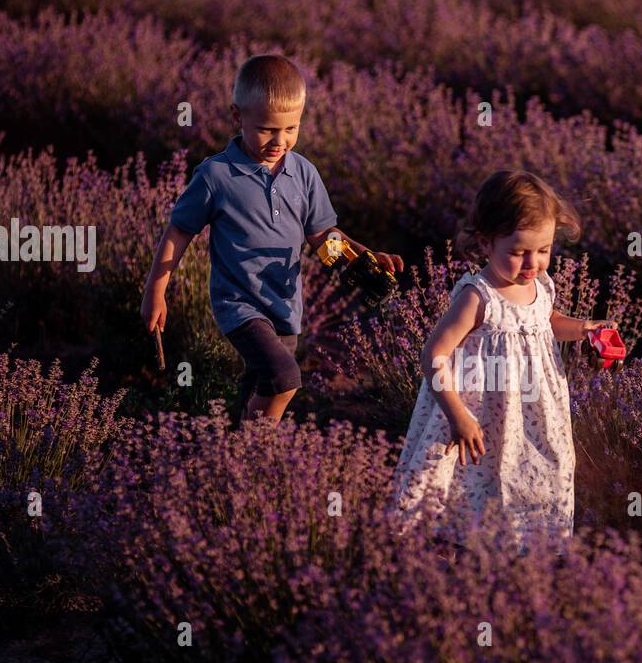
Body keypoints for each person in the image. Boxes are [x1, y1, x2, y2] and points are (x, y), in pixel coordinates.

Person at [140, 54, 403, 426]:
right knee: (284, 378)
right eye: (267, 129)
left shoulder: (304, 173)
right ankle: (259, 449)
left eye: (291, 129)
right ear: (237, 117)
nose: (280, 141)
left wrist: (361, 254)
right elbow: (179, 231)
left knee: (256, 391)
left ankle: (231, 459)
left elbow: (321, 236)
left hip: (285, 306)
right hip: (239, 305)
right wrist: (156, 290)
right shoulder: (217, 175)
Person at [392, 170, 616, 549]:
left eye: (543, 250)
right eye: (517, 252)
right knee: (476, 479)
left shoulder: (539, 285)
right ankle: (460, 551)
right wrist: (457, 414)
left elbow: (543, 323)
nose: (532, 262)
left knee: (540, 469)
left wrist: (585, 329)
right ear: (486, 242)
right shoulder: (477, 297)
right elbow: (434, 354)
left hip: (534, 412)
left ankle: (528, 551)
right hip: (481, 412)